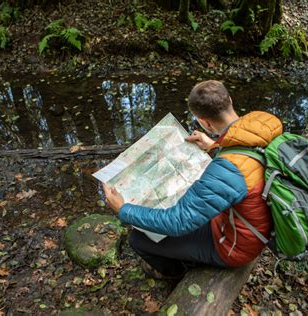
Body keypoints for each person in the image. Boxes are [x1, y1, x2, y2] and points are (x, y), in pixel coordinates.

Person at [102, 80, 283, 278]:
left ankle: (174, 273)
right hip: (255, 223)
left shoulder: (228, 170)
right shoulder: (264, 126)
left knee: (138, 239)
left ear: (204, 122)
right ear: (229, 100)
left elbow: (177, 222)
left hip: (235, 246)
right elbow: (250, 159)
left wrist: (123, 209)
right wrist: (214, 145)